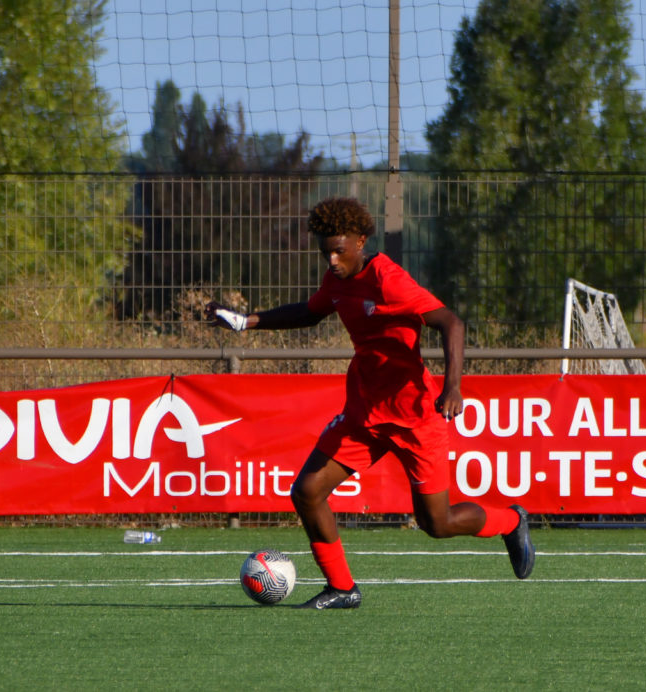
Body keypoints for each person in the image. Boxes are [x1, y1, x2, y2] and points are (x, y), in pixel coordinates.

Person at [204, 197, 534, 609]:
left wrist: (453, 387)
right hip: (364, 413)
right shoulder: (337, 280)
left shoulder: (388, 280)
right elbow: (309, 312)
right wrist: (246, 321)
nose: (332, 260)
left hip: (414, 416)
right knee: (307, 491)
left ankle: (511, 520)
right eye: (325, 252)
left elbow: (451, 322)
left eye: (339, 250)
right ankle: (342, 588)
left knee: (437, 522)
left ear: (361, 241)